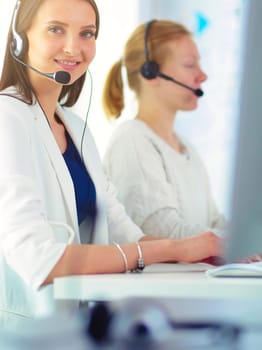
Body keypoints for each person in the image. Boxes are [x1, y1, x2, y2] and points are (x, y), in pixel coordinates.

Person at [0, 0, 223, 328]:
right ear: (20, 37)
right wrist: (172, 247)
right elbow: (39, 259)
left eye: (86, 33)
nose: (73, 47)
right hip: (22, 332)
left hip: (74, 327)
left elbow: (125, 233)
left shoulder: (77, 129)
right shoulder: (8, 117)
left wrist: (205, 247)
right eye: (56, 29)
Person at [102, 19, 227, 240]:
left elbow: (214, 221)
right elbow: (164, 232)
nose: (202, 75)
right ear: (150, 74)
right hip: (161, 275)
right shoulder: (132, 141)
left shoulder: (185, 147)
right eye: (190, 65)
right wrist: (233, 243)